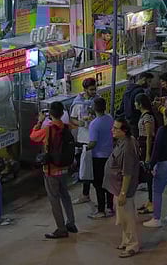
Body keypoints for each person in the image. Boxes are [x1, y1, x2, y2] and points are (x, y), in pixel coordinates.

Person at [30, 101, 78, 238]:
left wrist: (39, 122)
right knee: (65, 195)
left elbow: (33, 136)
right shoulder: (65, 127)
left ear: (50, 114)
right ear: (63, 114)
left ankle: (61, 228)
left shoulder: (48, 129)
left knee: (54, 199)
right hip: (64, 168)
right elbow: (74, 126)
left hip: (51, 169)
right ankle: (71, 222)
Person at [102, 119, 140, 258]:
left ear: (124, 131)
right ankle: (125, 241)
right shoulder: (123, 142)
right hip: (117, 187)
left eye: (116, 128)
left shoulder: (128, 147)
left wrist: (123, 192)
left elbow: (127, 173)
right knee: (123, 217)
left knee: (127, 217)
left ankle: (132, 245)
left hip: (123, 189)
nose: (113, 130)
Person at [70, 77, 97, 206]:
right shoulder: (78, 103)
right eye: (91, 89)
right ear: (85, 89)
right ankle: (85, 194)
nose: (94, 91)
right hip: (83, 138)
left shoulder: (97, 100)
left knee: (96, 168)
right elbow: (73, 118)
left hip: (95, 138)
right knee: (85, 167)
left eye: (94, 89)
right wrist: (79, 122)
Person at [86, 97, 114, 220]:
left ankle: (101, 210)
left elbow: (93, 143)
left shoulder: (94, 124)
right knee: (109, 183)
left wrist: (83, 148)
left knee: (99, 184)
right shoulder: (110, 119)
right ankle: (110, 207)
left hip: (98, 157)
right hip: (110, 155)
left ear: (93, 108)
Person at [135, 93, 157, 215]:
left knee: (149, 175)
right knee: (147, 175)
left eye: (135, 102)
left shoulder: (147, 117)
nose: (134, 104)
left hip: (146, 146)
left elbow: (149, 136)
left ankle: (152, 202)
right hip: (143, 145)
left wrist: (148, 154)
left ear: (140, 104)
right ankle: (149, 201)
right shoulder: (144, 115)